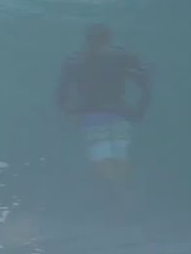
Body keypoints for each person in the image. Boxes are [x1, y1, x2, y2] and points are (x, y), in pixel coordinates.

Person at [55, 24, 151, 182]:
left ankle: (118, 193)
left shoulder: (75, 61)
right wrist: (140, 110)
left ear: (87, 40)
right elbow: (145, 82)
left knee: (102, 156)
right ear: (108, 40)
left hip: (92, 115)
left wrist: (69, 112)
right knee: (120, 156)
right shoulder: (123, 57)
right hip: (119, 113)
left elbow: (62, 91)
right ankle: (121, 193)